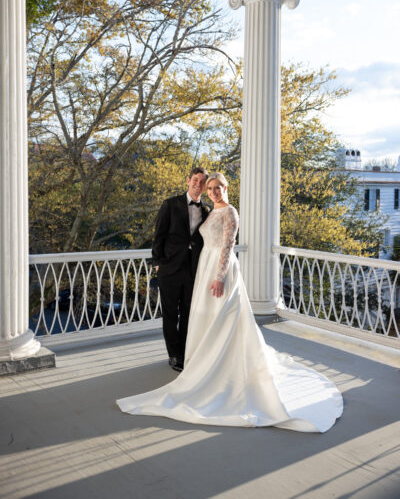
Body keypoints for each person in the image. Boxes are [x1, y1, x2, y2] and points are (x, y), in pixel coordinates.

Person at [117, 173, 343, 432]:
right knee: (194, 314)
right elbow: (162, 234)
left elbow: (228, 245)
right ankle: (186, 357)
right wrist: (158, 262)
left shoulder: (230, 212)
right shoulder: (207, 210)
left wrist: (220, 277)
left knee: (221, 314)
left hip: (218, 270)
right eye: (208, 187)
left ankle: (222, 362)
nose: (211, 190)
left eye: (216, 187)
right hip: (198, 267)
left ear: (226, 188)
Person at [151, 166, 210, 372]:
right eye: (195, 180)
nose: (198, 184)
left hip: (193, 271)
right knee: (170, 314)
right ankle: (173, 354)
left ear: (205, 186)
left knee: (188, 313)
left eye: (202, 182)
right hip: (169, 269)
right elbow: (159, 235)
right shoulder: (170, 204)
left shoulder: (207, 210)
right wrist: (158, 264)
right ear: (188, 180)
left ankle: (184, 352)